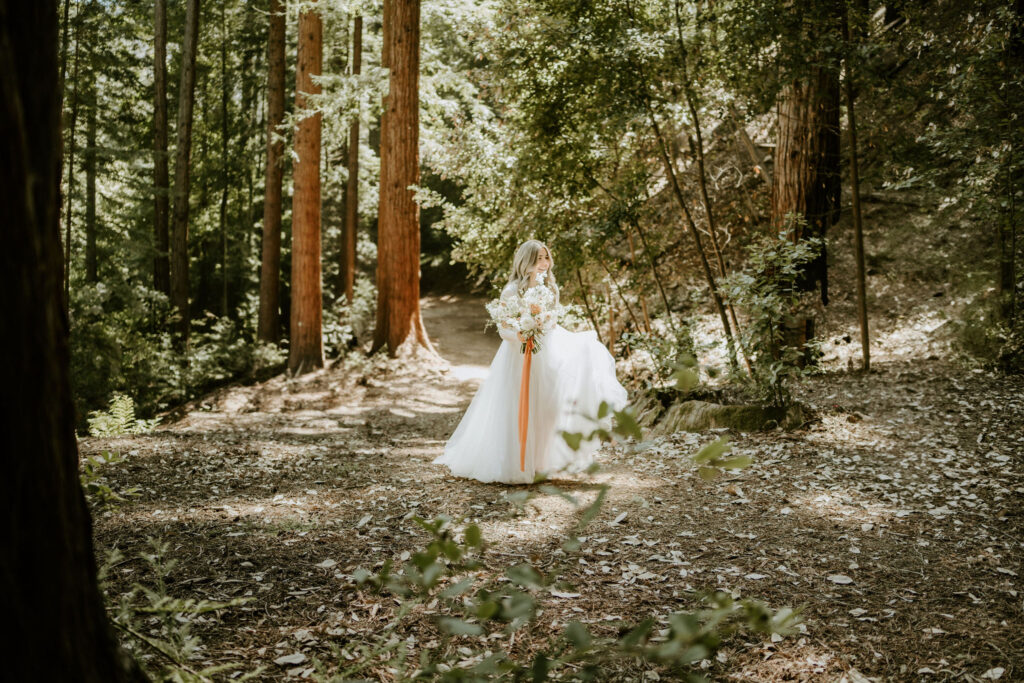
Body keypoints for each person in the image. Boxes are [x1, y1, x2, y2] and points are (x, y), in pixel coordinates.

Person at [433, 240, 628, 484]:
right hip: (518, 355)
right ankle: (515, 463)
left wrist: (542, 325)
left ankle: (539, 463)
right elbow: (504, 329)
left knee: (549, 406)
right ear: (525, 262)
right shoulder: (511, 291)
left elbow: (552, 322)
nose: (544, 264)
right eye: (538, 259)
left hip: (547, 353)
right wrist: (523, 333)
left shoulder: (550, 289)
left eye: (546, 258)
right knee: (518, 407)